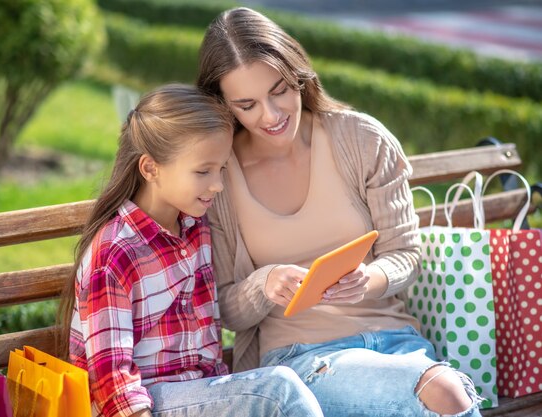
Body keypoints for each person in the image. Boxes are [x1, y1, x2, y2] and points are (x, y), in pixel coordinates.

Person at [196, 7, 483, 417]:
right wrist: (264, 283)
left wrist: (369, 279)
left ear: (299, 74)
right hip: (303, 361)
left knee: (438, 393)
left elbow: (406, 254)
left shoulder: (361, 139)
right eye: (247, 105)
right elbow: (226, 309)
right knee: (446, 396)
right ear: (223, 105)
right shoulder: (220, 176)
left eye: (279, 90)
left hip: (396, 343)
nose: (271, 116)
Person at [57, 84, 324, 417]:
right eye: (203, 171)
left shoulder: (194, 229)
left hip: (197, 395)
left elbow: (207, 352)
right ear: (150, 168)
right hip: (147, 404)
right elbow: (110, 378)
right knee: (278, 391)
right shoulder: (115, 253)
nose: (217, 184)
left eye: (221, 169)